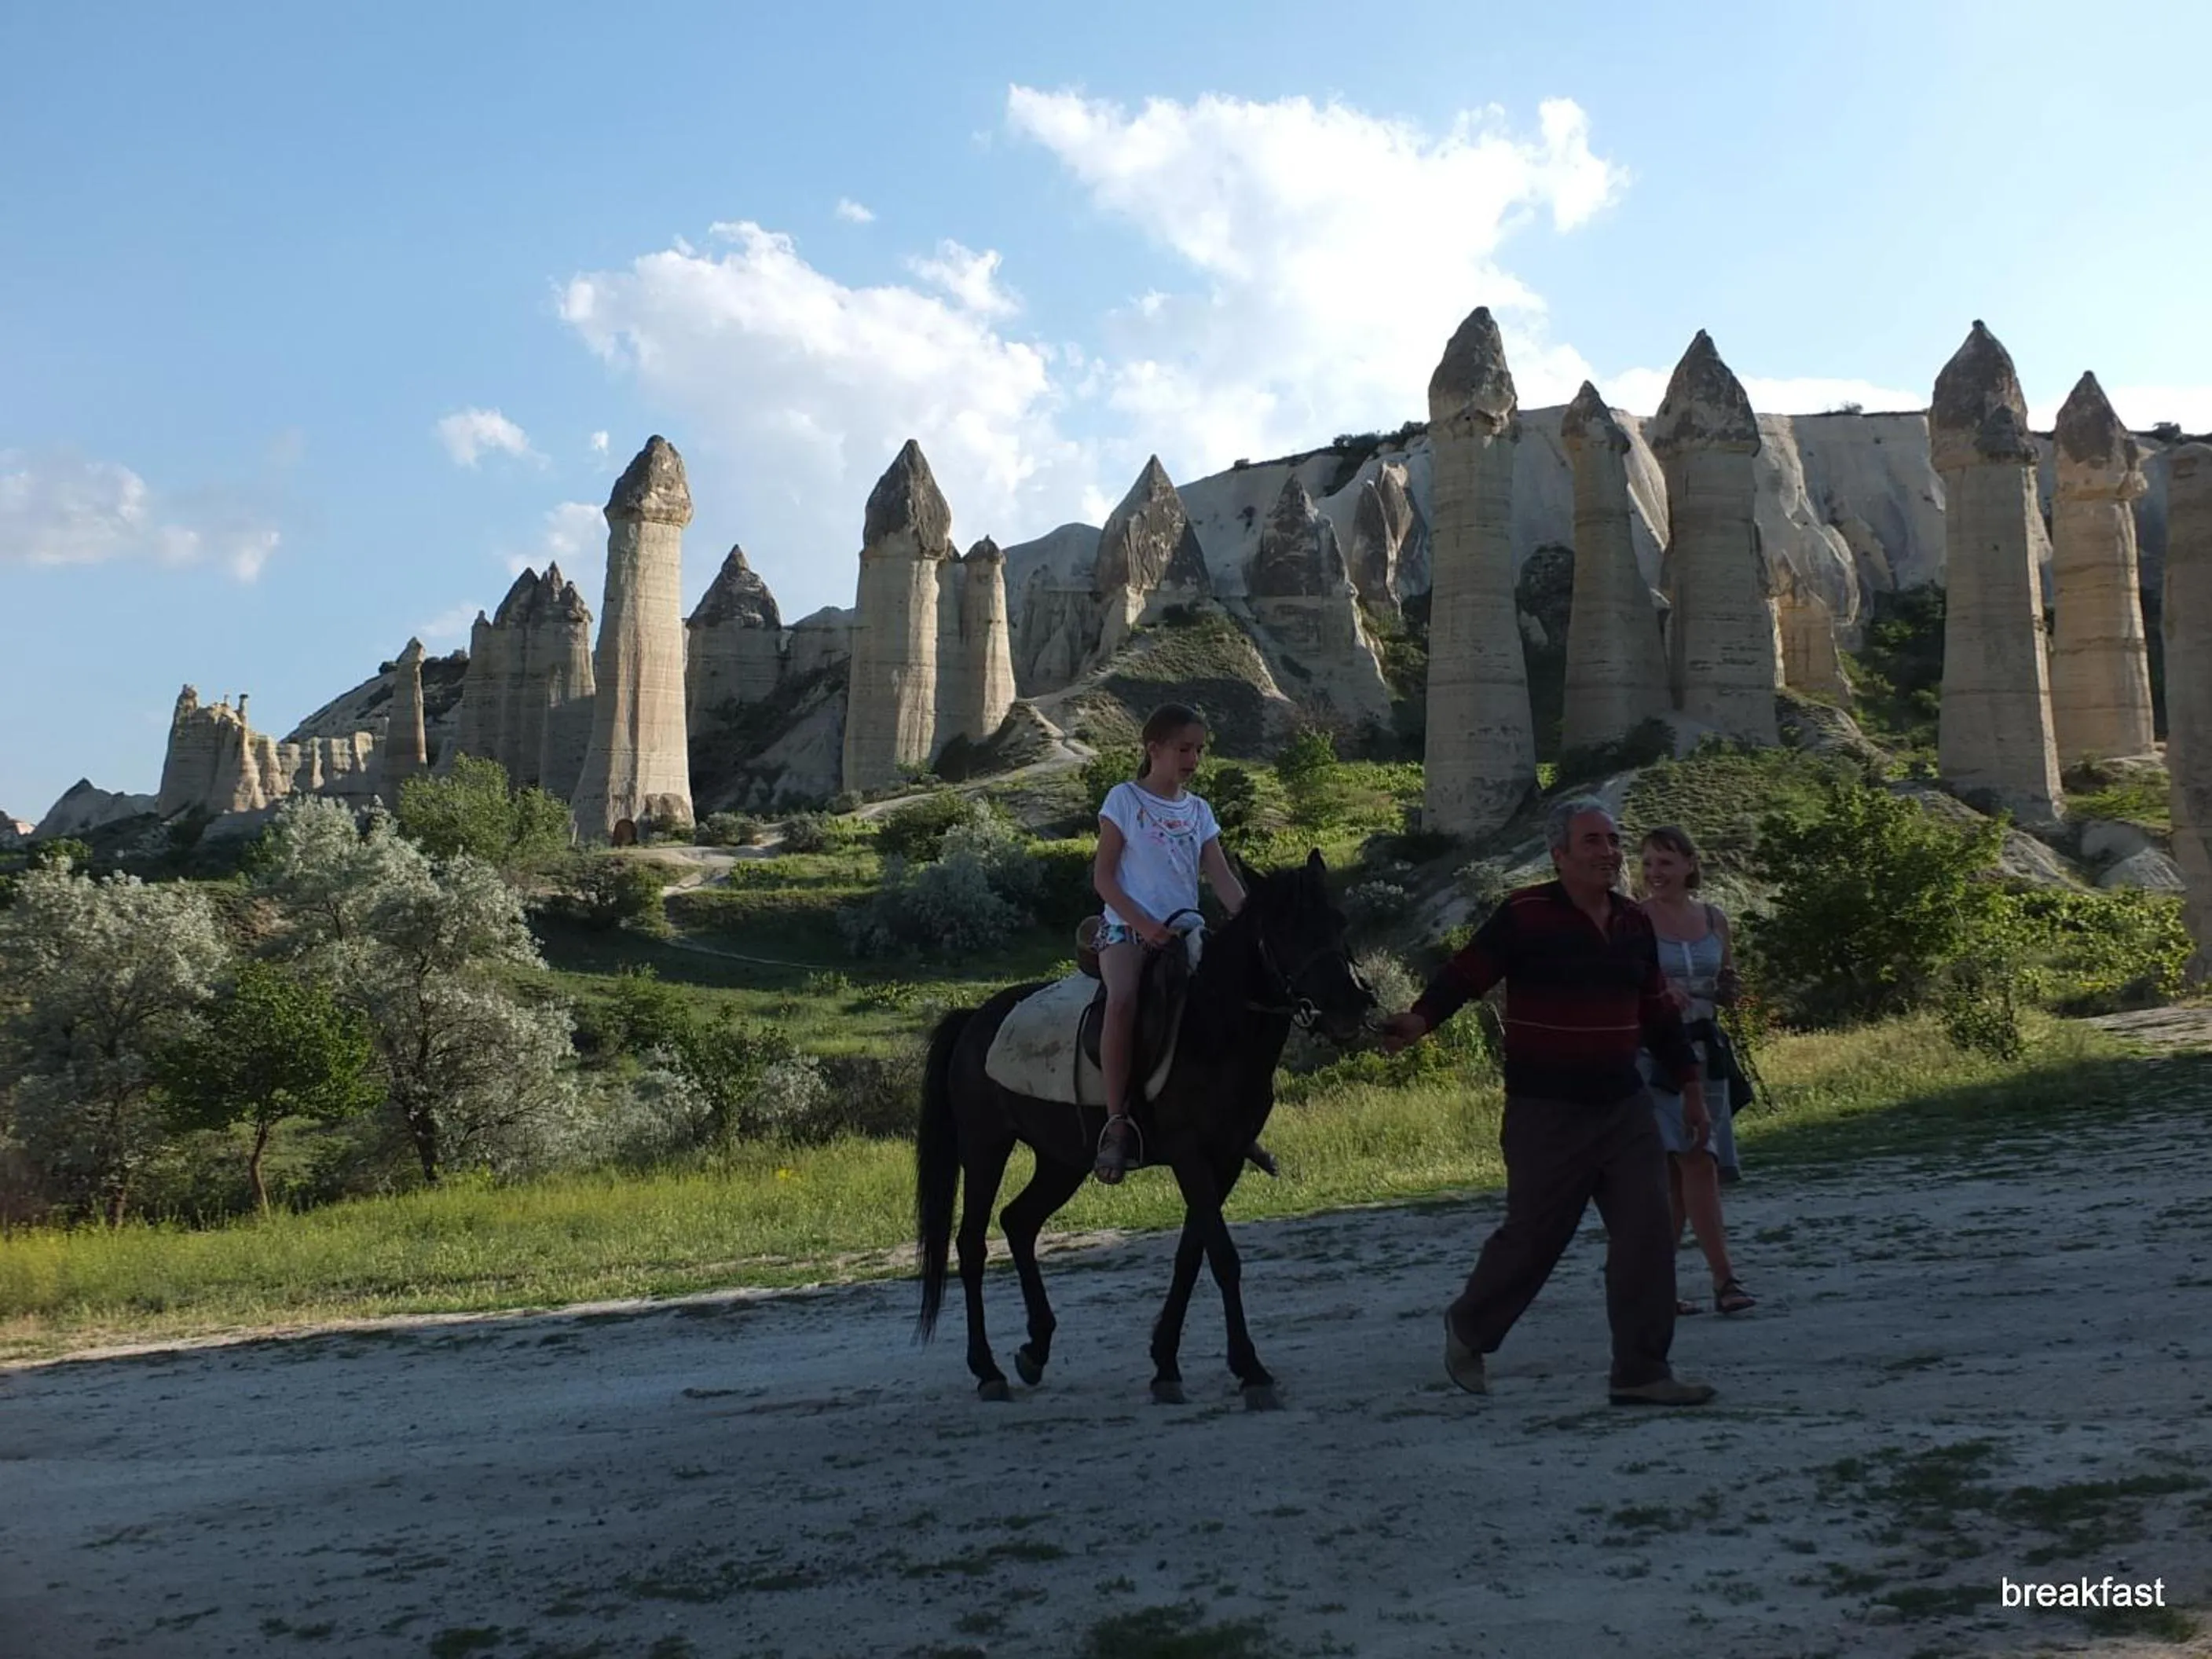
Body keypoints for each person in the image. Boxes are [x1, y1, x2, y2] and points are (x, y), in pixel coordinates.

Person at [1380, 797, 1716, 1407]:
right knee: (1535, 1236)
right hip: (1546, 1109)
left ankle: (1641, 1373)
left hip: (1624, 1105)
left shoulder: (1634, 923)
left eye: (1614, 841)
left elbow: (1658, 1011)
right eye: (1593, 842)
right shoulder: (1525, 913)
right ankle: (1470, 1328)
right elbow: (1466, 974)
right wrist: (1420, 1021)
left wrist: (1691, 1088)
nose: (1609, 853)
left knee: (1646, 1233)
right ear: (1558, 854)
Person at [1091, 703, 1248, 1185]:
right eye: (1183, 749)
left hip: (1187, 931)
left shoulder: (1199, 810)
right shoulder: (1124, 799)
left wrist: (1254, 923)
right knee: (1122, 1002)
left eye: (1198, 750)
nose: (1192, 759)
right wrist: (1144, 926)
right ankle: (1117, 1122)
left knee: (1234, 1003)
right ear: (1153, 749)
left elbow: (1221, 878)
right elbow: (1103, 878)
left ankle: (1230, 1111)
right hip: (1125, 929)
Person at [1636, 826, 1756, 1317]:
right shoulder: (1635, 921)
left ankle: (1652, 1290)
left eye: (1664, 863)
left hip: (1707, 1050)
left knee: (1676, 1177)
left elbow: (1726, 978)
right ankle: (1725, 1280)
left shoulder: (1715, 919)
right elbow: (1623, 985)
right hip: (1655, 1057)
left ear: (1689, 864)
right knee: (1696, 1160)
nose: (1654, 873)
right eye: (1646, 864)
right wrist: (1659, 994)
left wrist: (1729, 987)